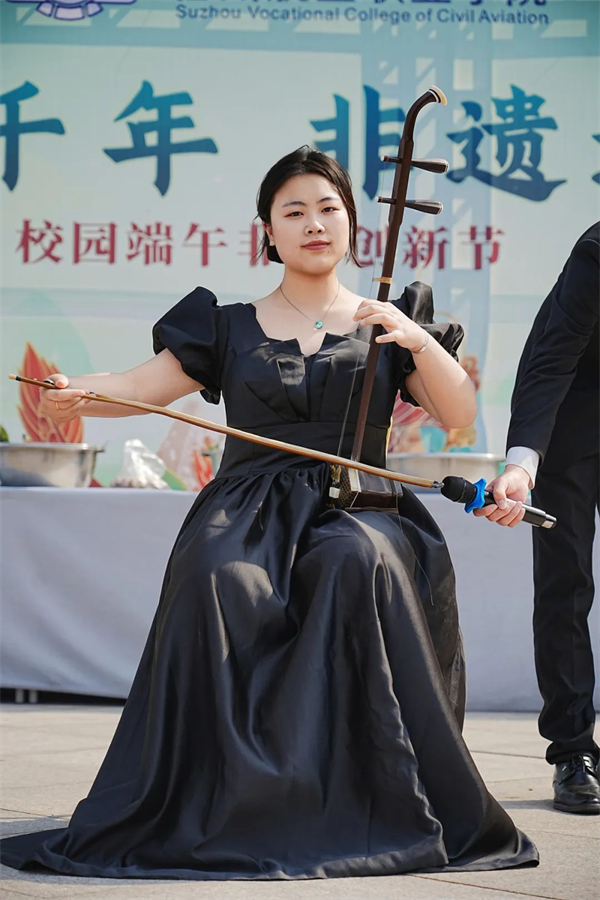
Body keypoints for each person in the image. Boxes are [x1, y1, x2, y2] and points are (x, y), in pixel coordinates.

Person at [0, 147, 538, 879]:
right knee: (218, 576)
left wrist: (415, 341)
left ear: (351, 223)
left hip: (362, 503)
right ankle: (223, 799)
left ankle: (363, 797)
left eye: (328, 209)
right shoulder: (226, 325)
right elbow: (138, 385)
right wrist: (77, 393)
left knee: (354, 560)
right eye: (295, 211)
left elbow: (458, 412)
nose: (314, 224)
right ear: (269, 232)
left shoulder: (391, 318)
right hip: (247, 505)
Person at [474, 223, 600, 815]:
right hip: (572, 416)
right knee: (565, 580)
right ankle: (573, 751)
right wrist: (522, 466)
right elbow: (553, 359)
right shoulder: (597, 251)